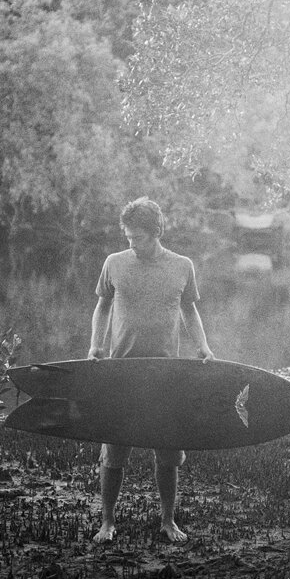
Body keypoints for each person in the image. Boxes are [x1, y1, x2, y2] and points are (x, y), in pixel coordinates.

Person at [88, 197, 214, 544]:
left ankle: (168, 521)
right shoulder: (114, 263)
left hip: (165, 373)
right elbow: (102, 308)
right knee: (114, 453)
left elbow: (189, 310)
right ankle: (108, 522)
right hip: (121, 370)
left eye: (139, 238)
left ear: (156, 232)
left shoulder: (182, 265)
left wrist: (202, 346)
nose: (132, 244)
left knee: (168, 453)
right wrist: (95, 345)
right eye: (128, 237)